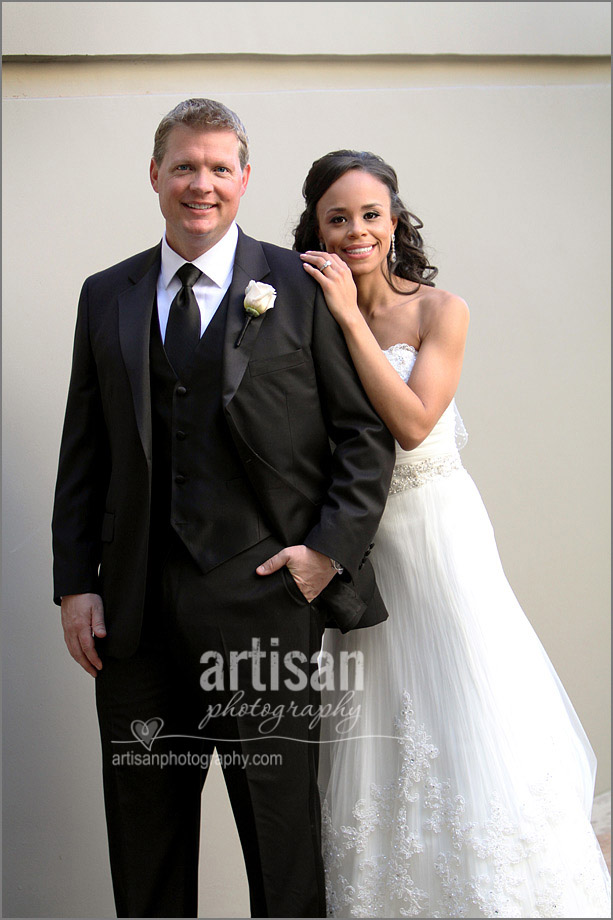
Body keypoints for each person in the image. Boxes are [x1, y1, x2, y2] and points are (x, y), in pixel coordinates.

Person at [51, 103, 396, 918]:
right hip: (131, 620)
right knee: (145, 848)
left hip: (265, 610)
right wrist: (75, 584)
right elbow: (84, 452)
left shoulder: (304, 287)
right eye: (182, 166)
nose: (198, 184)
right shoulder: (107, 295)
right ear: (155, 176)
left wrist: (324, 553)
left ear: (242, 180)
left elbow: (363, 437)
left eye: (216, 168)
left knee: (280, 850)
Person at [294, 149, 611, 918]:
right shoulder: (300, 314)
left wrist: (346, 317)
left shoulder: (441, 311)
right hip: (360, 554)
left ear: (395, 221)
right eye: (337, 218)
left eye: (370, 214)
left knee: (469, 711)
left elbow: (409, 422)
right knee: (374, 734)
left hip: (439, 541)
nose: (355, 231)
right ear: (316, 228)